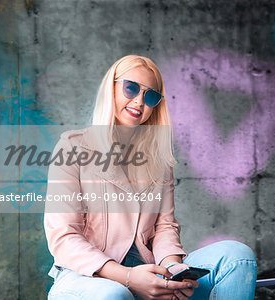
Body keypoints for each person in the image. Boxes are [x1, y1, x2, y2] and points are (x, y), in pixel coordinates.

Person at [44, 55, 257, 300]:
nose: (139, 101)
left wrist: (174, 270)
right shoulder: (73, 147)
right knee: (113, 293)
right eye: (131, 88)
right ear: (110, 87)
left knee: (236, 256)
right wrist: (127, 278)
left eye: (151, 96)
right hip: (87, 277)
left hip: (150, 270)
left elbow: (164, 227)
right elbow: (64, 236)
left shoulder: (158, 158)